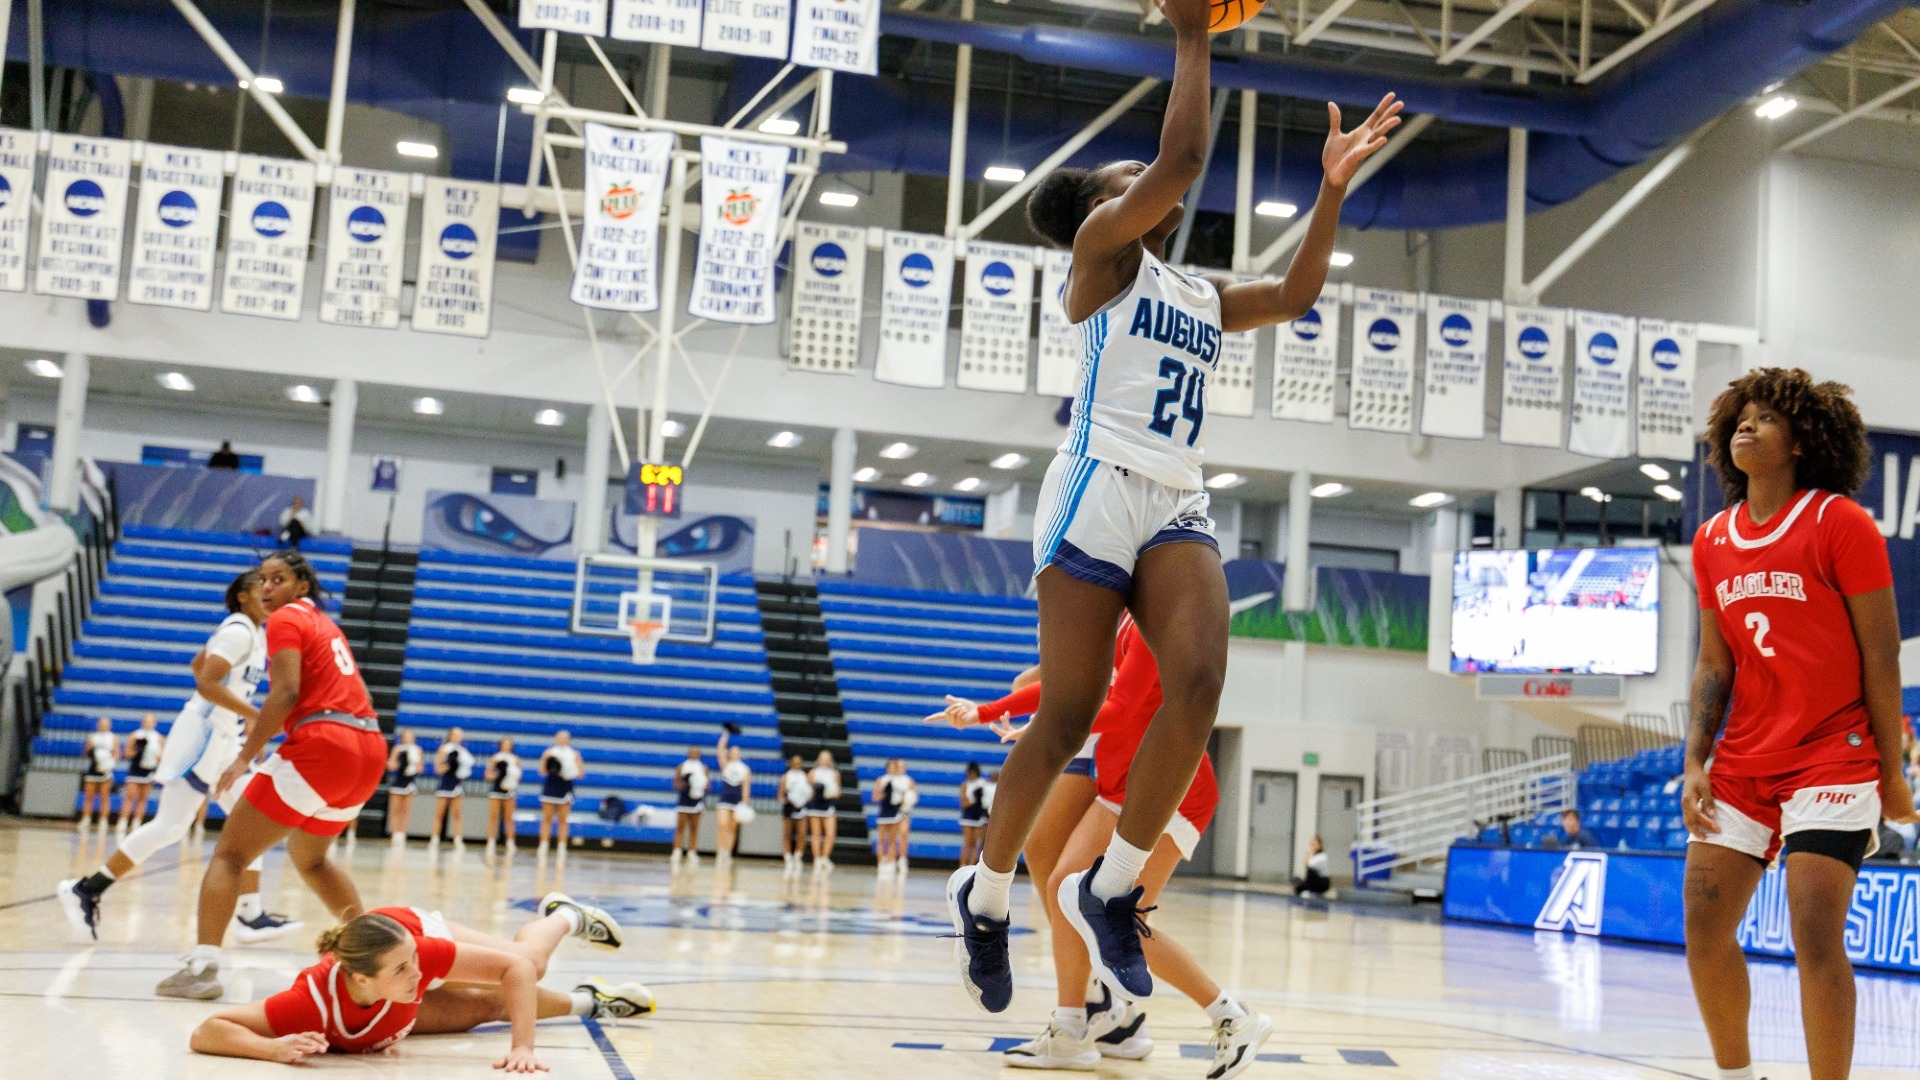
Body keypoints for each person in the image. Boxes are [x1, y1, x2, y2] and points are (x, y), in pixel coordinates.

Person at [945, 0, 1402, 1014]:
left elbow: (1292, 296)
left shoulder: (1193, 291)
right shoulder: (1101, 259)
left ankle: (1113, 892)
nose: (1142, 188)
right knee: (1066, 714)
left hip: (1173, 492)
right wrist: (1193, 32)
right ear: (1109, 208)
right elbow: (1184, 158)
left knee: (1199, 677)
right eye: (1126, 182)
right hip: (1093, 485)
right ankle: (982, 890)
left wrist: (1330, 192)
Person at [1682, 368, 1918, 1080]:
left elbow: (1881, 658)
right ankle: (1737, 1075)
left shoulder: (1839, 523)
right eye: (1740, 419)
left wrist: (1890, 769)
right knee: (1702, 929)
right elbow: (1712, 666)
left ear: (1804, 441)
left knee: (1814, 932)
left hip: (1831, 754)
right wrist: (1694, 762)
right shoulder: (1712, 540)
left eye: (1765, 419)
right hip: (1745, 762)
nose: (1746, 427)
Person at [156, 550, 389, 1000]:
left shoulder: (285, 620)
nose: (266, 588)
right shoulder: (326, 624)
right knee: (313, 861)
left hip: (325, 744)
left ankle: (202, 965)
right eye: (262, 579)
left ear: (301, 587)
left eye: (277, 579)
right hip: (368, 749)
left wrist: (246, 755)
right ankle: (377, 957)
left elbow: (286, 692)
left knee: (230, 854)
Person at [56, 572, 298, 945]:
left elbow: (196, 663)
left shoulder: (251, 633)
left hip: (223, 736)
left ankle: (250, 916)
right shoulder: (238, 632)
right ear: (241, 598)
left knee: (254, 814)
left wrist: (239, 722)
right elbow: (205, 681)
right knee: (171, 825)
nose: (268, 594)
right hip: (202, 733)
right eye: (259, 589)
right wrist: (256, 717)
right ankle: (87, 889)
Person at [188, 894, 648, 1069]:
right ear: (361, 980)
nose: (420, 977)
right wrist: (270, 1048)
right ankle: (592, 1000)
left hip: (409, 929)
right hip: (385, 957)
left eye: (415, 968)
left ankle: (565, 914)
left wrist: (524, 1047)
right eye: (404, 972)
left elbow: (517, 973)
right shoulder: (309, 1002)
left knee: (528, 965)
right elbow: (208, 1030)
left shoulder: (416, 956)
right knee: (484, 1009)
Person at [428, 726, 474, 847]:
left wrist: (460, 767)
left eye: (460, 735)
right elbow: (438, 769)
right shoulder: (444, 749)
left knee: (457, 814)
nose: (458, 737)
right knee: (439, 813)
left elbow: (467, 769)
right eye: (456, 734)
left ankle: (458, 840)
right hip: (445, 785)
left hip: (457, 785)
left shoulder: (463, 751)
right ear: (450, 735)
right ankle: (434, 838)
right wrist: (449, 765)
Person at [538, 731, 583, 851]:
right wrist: (549, 764)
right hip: (551, 786)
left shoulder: (574, 754)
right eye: (560, 738)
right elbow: (542, 771)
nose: (562, 740)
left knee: (563, 819)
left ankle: (562, 845)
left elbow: (581, 773)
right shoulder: (549, 753)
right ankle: (544, 844)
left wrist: (568, 772)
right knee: (547, 817)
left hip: (565, 787)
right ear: (556, 739)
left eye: (565, 738)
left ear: (569, 740)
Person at [118, 714, 163, 829]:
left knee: (143, 798)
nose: (149, 723)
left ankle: (136, 823)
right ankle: (122, 822)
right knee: (130, 796)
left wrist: (156, 757)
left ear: (155, 723)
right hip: (135, 769)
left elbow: (162, 758)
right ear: (142, 722)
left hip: (149, 770)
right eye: (146, 721)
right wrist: (138, 751)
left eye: (151, 721)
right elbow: (127, 753)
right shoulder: (135, 735)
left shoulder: (159, 738)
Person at [873, 759, 917, 876]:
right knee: (882, 839)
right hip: (886, 812)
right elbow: (876, 796)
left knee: (902, 835)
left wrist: (905, 801)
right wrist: (886, 796)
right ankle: (882, 862)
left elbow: (913, 797)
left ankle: (901, 860)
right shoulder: (883, 780)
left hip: (901, 812)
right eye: (895, 766)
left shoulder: (908, 780)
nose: (896, 768)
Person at [713, 730, 752, 865]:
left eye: (737, 752)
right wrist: (724, 737)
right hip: (724, 799)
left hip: (737, 801)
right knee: (722, 825)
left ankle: (727, 853)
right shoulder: (726, 765)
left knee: (732, 828)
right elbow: (719, 751)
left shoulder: (745, 769)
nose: (734, 753)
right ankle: (720, 851)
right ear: (730, 753)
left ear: (739, 754)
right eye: (732, 751)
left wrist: (745, 803)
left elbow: (746, 787)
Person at [385, 729, 426, 843]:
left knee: (406, 810)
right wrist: (401, 763)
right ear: (402, 737)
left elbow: (421, 768)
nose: (408, 738)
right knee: (395, 809)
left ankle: (402, 833)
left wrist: (412, 767)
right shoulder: (397, 749)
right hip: (398, 782)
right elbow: (390, 765)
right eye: (406, 736)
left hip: (410, 782)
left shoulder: (418, 750)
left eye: (411, 736)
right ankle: (394, 833)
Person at [672, 744, 710, 866]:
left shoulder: (703, 768)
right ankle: (677, 851)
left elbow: (708, 786)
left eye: (696, 752)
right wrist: (686, 785)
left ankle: (692, 852)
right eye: (691, 752)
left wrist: (699, 786)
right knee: (680, 827)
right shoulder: (682, 767)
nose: (693, 754)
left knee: (694, 828)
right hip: (684, 799)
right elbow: (676, 784)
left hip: (697, 800)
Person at [79, 716, 118, 829]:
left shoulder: (113, 738)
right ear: (98, 725)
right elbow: (86, 754)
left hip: (106, 770)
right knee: (89, 796)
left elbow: (116, 754)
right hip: (93, 769)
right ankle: (86, 819)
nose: (103, 727)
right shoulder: (92, 737)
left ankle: (103, 820)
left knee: (105, 796)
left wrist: (109, 763)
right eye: (101, 724)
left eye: (106, 725)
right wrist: (92, 755)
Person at [807, 749, 842, 870]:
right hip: (815, 806)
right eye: (822, 758)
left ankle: (825, 857)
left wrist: (829, 793)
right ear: (818, 759)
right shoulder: (813, 773)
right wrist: (816, 793)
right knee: (816, 834)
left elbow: (838, 793)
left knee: (830, 833)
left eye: (827, 758)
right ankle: (817, 859)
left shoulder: (835, 774)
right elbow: (807, 791)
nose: (824, 760)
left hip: (828, 805)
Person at [486, 737, 522, 850]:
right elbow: (488, 775)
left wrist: (510, 778)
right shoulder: (495, 758)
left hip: (509, 790)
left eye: (509, 744)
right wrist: (498, 774)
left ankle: (510, 842)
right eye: (504, 744)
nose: (506, 746)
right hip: (496, 790)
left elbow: (519, 777)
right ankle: (491, 841)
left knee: (509, 817)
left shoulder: (515, 759)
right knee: (493, 816)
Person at [780, 753, 812, 876]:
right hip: (789, 807)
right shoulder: (786, 777)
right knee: (787, 833)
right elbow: (780, 795)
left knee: (802, 833)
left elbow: (810, 793)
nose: (797, 764)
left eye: (799, 762)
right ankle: (787, 857)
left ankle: (798, 856)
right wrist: (788, 799)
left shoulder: (805, 777)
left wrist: (802, 799)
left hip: (801, 807)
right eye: (795, 762)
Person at [959, 761, 992, 865]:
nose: (971, 775)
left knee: (975, 844)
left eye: (973, 773)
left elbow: (986, 800)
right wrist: (974, 797)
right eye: (969, 773)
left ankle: (971, 866)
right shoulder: (965, 785)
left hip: (979, 817)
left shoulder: (983, 783)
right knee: (967, 843)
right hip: (967, 817)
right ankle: (962, 866)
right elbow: (964, 803)